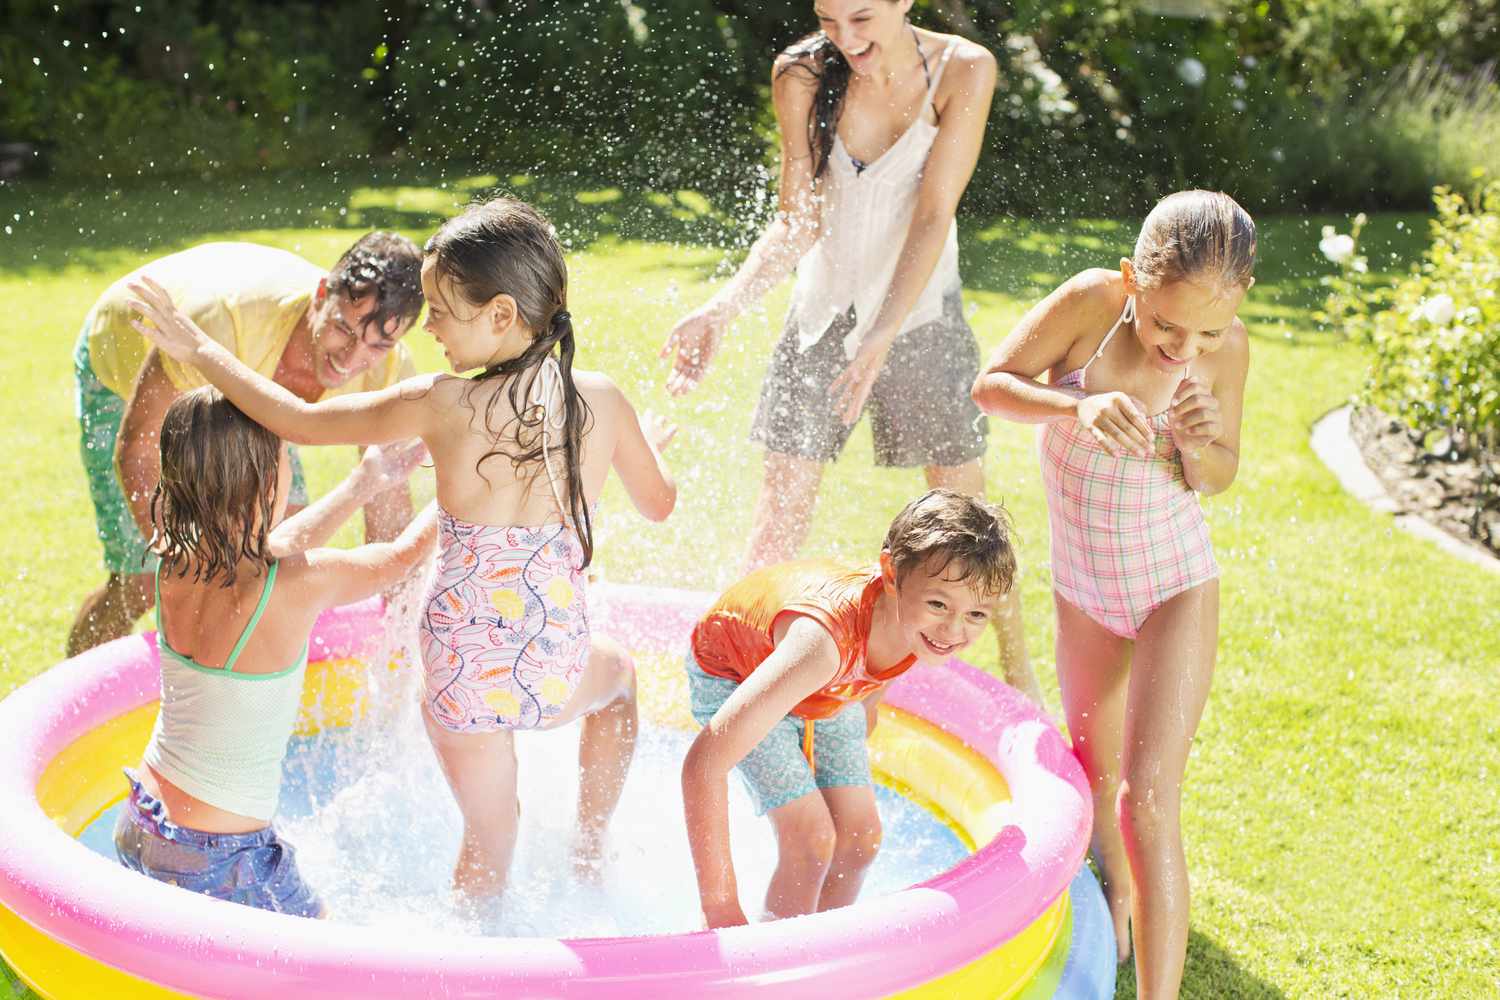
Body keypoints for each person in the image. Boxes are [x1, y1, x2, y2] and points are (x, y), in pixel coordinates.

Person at [128, 197, 678, 901]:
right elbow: (658, 504)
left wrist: (199, 351)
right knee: (621, 683)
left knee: (488, 842)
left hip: (457, 676)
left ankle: (460, 958)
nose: (433, 328)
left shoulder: (438, 403)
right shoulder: (601, 401)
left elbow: (298, 419)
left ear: (502, 315)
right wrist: (642, 451)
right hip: (549, 664)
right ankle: (590, 853)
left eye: (443, 311)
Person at [659, 0, 1040, 705]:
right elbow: (797, 222)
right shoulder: (801, 73)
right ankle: (733, 685)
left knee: (967, 514)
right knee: (780, 512)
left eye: (862, 17)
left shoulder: (964, 70)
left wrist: (883, 335)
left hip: (920, 316)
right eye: (830, 19)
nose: (846, 39)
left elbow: (933, 215)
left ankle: (1022, 682)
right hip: (821, 317)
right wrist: (724, 307)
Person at [971, 190, 1255, 999]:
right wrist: (1079, 400)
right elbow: (991, 386)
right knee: (1095, 783)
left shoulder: (1226, 349)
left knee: (1149, 797)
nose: (1183, 348)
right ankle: (1118, 893)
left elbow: (1223, 472)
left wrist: (1200, 447)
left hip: (1174, 582)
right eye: (1168, 325)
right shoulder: (1093, 306)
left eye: (1204, 332)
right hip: (1087, 588)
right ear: (1134, 281)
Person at [114, 386, 437, 917]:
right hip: (218, 855)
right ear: (268, 481)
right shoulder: (295, 584)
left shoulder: (175, 560)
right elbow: (400, 558)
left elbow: (274, 545)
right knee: (328, 962)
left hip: (144, 820)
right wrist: (464, 490)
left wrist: (363, 485)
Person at [69, 234, 426, 656]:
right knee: (145, 580)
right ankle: (74, 688)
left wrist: (400, 620)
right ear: (320, 296)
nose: (350, 359)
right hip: (126, 355)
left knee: (280, 563)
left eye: (378, 345)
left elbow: (388, 502)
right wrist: (179, 561)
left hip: (251, 390)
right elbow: (139, 449)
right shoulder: (224, 323)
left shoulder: (388, 370)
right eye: (342, 329)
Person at [681, 489, 1016, 928]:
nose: (954, 630)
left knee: (860, 838)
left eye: (976, 615)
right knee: (811, 837)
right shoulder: (823, 644)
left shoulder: (917, 628)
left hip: (825, 686)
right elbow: (703, 765)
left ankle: (827, 954)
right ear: (892, 575)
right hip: (738, 672)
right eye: (939, 604)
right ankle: (775, 967)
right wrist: (720, 905)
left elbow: (871, 689)